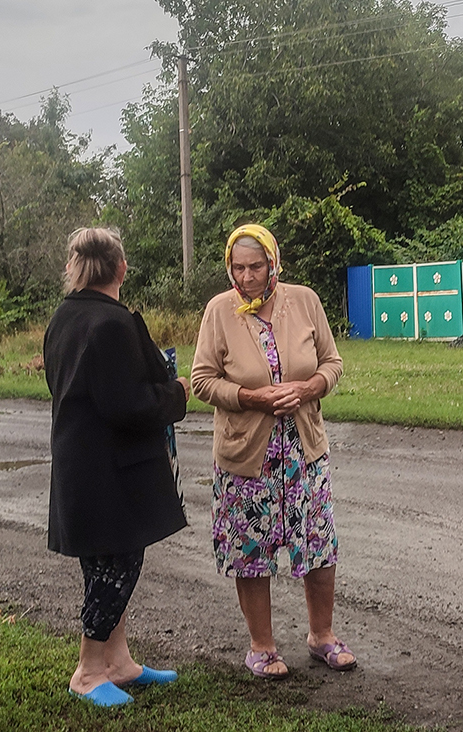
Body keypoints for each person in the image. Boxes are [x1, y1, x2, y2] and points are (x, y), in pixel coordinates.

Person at [191, 224, 354, 679]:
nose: (246, 277)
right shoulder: (219, 311)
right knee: (251, 550)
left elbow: (332, 363)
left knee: (318, 546)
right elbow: (202, 380)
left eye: (256, 267)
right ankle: (261, 647)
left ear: (273, 264)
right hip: (248, 455)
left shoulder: (305, 301)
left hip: (303, 451)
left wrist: (309, 387)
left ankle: (322, 636)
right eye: (238, 268)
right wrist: (253, 397)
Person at [44, 227, 189, 708]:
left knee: (102, 563)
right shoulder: (112, 324)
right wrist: (176, 394)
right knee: (120, 563)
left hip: (81, 464)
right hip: (111, 469)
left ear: (75, 268)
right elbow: (128, 406)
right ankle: (88, 671)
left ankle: (119, 662)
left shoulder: (65, 318)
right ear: (121, 269)